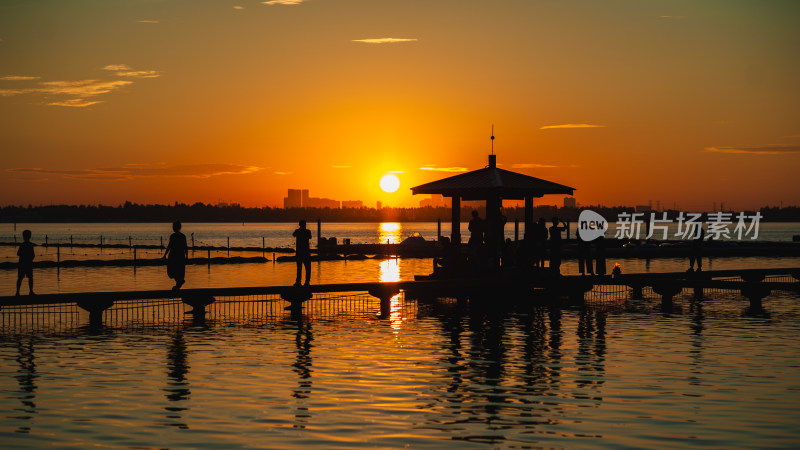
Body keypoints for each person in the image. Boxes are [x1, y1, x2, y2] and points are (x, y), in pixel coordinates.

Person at [163, 221, 188, 290]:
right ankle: (179, 283)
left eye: (174, 227)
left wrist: (165, 255)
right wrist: (187, 256)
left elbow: (169, 246)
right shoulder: (181, 236)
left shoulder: (174, 236)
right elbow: (185, 247)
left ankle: (178, 284)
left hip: (175, 256)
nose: (173, 228)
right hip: (179, 256)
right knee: (176, 272)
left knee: (174, 272)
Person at [16, 229, 35, 296]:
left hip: (22, 263)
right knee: (29, 278)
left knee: (21, 278)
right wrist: (28, 258)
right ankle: (30, 291)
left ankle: (18, 292)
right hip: (27, 263)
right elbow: (33, 255)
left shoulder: (22, 245)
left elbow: (18, 253)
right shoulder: (30, 245)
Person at [293, 220, 312, 286]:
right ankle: (307, 282)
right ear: (305, 225)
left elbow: (293, 235)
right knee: (308, 268)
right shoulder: (307, 231)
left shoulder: (297, 231)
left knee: (299, 268)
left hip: (299, 252)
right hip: (306, 252)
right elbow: (310, 237)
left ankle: (298, 282)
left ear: (299, 225)